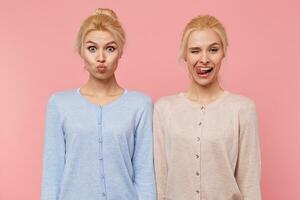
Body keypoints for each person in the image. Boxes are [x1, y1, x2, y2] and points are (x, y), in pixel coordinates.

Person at [41, 8, 156, 200]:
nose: (101, 58)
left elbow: (144, 175)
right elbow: (52, 176)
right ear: (81, 51)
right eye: (92, 48)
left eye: (110, 49)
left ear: (120, 52)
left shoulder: (140, 105)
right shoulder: (59, 104)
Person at [153, 15, 261, 200]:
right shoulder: (164, 109)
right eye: (195, 51)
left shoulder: (243, 109)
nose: (204, 59)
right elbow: (161, 180)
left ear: (223, 52)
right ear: (185, 56)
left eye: (213, 50)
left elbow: (249, 184)